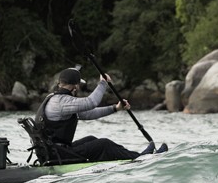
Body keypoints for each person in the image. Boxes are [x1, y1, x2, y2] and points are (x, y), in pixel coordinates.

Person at [34, 67, 168, 162]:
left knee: (91, 139)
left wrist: (115, 108)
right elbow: (91, 102)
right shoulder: (61, 102)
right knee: (104, 144)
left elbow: (88, 114)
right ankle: (140, 158)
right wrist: (103, 83)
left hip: (53, 151)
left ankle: (134, 156)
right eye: (78, 85)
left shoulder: (55, 99)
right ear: (75, 86)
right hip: (57, 155)